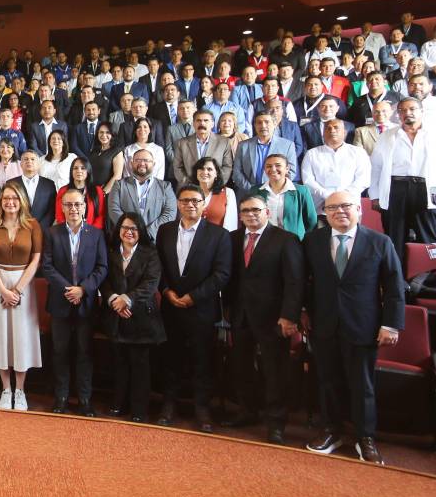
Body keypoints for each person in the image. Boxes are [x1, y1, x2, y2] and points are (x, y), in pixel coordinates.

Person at [304, 191, 405, 465]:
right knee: (327, 381)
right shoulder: (313, 241)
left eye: (346, 206)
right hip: (324, 323)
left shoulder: (379, 242)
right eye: (332, 207)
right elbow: (304, 282)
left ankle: (365, 437)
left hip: (363, 325)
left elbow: (395, 285)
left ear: (358, 209)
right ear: (325, 213)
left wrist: (391, 324)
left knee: (363, 385)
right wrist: (302, 313)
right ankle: (330, 431)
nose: (340, 212)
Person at [223, 194, 303, 444]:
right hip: (240, 314)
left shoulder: (285, 239)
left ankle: (276, 422)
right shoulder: (233, 239)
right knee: (242, 366)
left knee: (274, 370)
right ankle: (248, 410)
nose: (250, 215)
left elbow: (294, 281)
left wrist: (289, 316)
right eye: (245, 211)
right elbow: (230, 277)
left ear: (267, 212)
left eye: (256, 210)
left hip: (273, 317)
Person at [156, 184, 232, 432]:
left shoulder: (219, 235)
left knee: (202, 360)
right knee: (171, 359)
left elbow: (221, 274)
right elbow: (159, 267)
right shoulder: (164, 231)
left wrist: (192, 297)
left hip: (201, 308)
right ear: (178, 204)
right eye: (185, 201)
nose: (190, 205)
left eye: (196, 201)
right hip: (170, 306)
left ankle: (202, 409)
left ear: (204, 205)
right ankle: (169, 405)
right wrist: (166, 291)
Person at [369, 97, 436, 261]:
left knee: (428, 237)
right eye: (403, 110)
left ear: (422, 112)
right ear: (398, 114)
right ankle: (398, 280)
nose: (407, 113)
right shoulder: (388, 136)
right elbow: (376, 167)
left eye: (412, 109)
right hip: (395, 189)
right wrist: (375, 195)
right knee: (394, 238)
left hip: (428, 189)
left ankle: (432, 275)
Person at [43, 187, 108, 416]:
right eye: (69, 205)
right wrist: (67, 289)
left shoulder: (97, 234)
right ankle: (60, 397)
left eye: (78, 205)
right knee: (59, 351)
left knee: (84, 352)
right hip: (60, 302)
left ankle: (84, 398)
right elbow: (47, 266)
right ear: (62, 207)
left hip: (86, 303)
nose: (73, 209)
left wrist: (83, 289)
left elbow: (102, 268)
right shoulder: (52, 233)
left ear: (85, 207)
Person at [0, 181, 44, 411]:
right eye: (6, 198)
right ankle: (6, 389)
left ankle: (20, 390)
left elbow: (36, 259)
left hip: (23, 284)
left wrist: (16, 290)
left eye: (14, 198)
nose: (10, 202)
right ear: (0, 201)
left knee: (21, 337)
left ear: (22, 201)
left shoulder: (33, 225)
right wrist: (3, 290)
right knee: (1, 337)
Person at [99, 211, 164, 422]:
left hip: (141, 316)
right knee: (119, 363)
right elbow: (104, 281)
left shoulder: (150, 252)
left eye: (134, 229)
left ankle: (139, 409)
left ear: (141, 232)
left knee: (140, 366)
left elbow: (151, 284)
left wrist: (127, 299)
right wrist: (113, 300)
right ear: (118, 230)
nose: (129, 232)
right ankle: (119, 403)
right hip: (115, 315)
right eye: (125, 228)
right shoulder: (110, 252)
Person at [300, 118, 371, 213]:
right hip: (321, 207)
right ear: (323, 134)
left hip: (350, 206)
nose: (332, 130)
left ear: (345, 133)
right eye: (328, 128)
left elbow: (364, 179)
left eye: (336, 128)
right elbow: (308, 181)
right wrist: (327, 195)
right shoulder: (311, 154)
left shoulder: (358, 153)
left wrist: (343, 195)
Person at [251, 154, 318, 239]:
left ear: (287, 168)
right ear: (264, 169)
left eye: (278, 165)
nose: (273, 169)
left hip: (294, 242)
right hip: (264, 241)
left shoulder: (301, 191)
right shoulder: (255, 191)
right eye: (268, 166)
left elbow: (311, 221)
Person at [231, 112, 298, 196]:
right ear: (255, 126)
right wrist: (252, 190)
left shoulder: (287, 145)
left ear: (274, 124)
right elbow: (237, 172)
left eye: (267, 122)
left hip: (277, 194)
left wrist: (272, 189)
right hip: (247, 194)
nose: (263, 126)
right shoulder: (243, 146)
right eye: (259, 122)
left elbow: (291, 171)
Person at [172, 110, 233, 187]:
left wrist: (216, 184)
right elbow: (177, 167)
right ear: (193, 124)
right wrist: (189, 185)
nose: (202, 123)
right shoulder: (182, 143)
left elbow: (227, 167)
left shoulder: (224, 142)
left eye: (206, 120)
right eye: (198, 120)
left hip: (215, 188)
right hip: (189, 188)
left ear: (212, 124)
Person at [54, 157, 106, 230]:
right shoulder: (63, 190)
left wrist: (91, 232)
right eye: (75, 168)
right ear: (71, 172)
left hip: (92, 233)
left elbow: (100, 216)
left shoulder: (97, 190)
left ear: (88, 171)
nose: (79, 171)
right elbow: (59, 215)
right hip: (68, 233)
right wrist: (70, 231)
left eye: (83, 168)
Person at [191, 156, 238, 231]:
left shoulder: (228, 193)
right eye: (201, 168)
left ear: (216, 173)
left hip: (218, 240)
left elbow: (230, 225)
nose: (205, 172)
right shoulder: (188, 193)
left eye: (209, 169)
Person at [15, 149, 57, 232]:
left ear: (38, 164)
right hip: (18, 229)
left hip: (43, 230)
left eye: (32, 159)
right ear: (21, 164)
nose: (29, 161)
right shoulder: (11, 183)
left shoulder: (49, 184)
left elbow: (52, 208)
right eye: (26, 159)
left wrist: (40, 227)